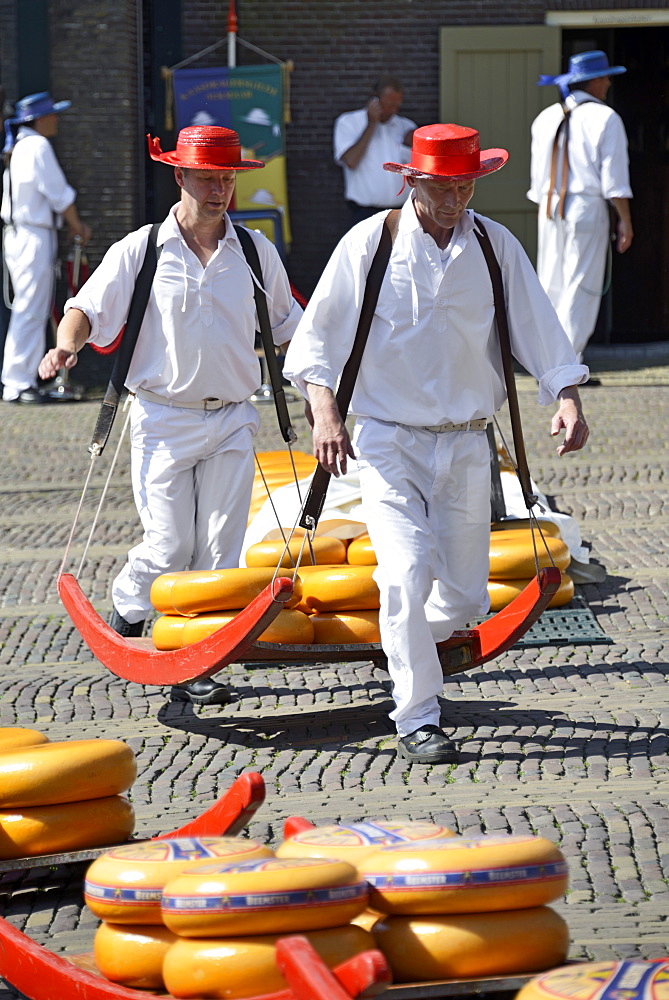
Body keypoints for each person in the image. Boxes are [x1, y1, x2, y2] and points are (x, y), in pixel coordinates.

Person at [283, 124, 590, 765]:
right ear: (412, 180)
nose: (453, 200)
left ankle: (403, 652)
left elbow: (538, 326)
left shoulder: (493, 244)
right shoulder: (370, 244)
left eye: (464, 186)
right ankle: (418, 715)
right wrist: (325, 416)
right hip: (388, 439)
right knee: (404, 571)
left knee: (467, 597)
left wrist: (566, 395)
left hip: (469, 443)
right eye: (441, 187)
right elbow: (315, 344)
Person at [39, 126, 302, 705]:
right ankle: (130, 604)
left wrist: (328, 391)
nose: (219, 190)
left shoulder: (256, 251)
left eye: (228, 178)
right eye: (207, 177)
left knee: (219, 551)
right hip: (162, 418)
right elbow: (86, 306)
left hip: (234, 417)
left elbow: (291, 330)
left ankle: (198, 663)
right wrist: (66, 345)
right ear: (179, 176)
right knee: (167, 546)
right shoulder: (141, 249)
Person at [528, 50, 633, 361]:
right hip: (584, 205)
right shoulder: (605, 117)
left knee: (551, 279)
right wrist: (624, 219)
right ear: (596, 81)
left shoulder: (545, 117)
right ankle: (567, 362)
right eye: (606, 78)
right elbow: (613, 178)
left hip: (548, 204)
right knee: (581, 284)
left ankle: (549, 357)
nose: (610, 83)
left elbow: (537, 177)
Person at [1, 91, 91, 403]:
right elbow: (59, 193)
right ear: (40, 119)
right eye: (52, 114)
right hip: (33, 234)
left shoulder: (20, 147)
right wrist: (77, 226)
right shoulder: (37, 145)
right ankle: (17, 382)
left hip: (23, 233)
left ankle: (20, 379)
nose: (56, 120)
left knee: (31, 307)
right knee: (30, 308)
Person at [333, 76, 416, 227]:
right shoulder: (348, 122)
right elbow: (351, 161)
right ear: (375, 100)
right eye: (388, 105)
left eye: (396, 105)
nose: (393, 111)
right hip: (365, 213)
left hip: (402, 212)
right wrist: (372, 124)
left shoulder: (406, 126)